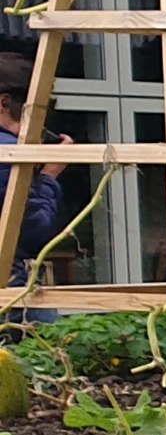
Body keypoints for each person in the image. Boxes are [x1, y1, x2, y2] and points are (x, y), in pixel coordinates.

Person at [0, 50, 70, 302]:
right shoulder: (9, 154)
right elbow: (33, 232)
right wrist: (49, 175)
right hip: (9, 284)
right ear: (3, 103)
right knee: (47, 335)